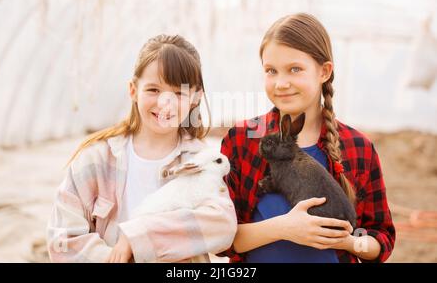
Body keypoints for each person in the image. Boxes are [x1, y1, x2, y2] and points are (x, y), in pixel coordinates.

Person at [219, 13, 395, 263]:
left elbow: (381, 237)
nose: (281, 83)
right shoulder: (241, 139)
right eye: (271, 71)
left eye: (295, 69)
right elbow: (220, 237)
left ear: (324, 71)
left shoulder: (358, 148)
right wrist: (284, 228)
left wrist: (350, 241)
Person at [47, 34, 237, 263]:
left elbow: (222, 225)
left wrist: (138, 236)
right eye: (154, 90)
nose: (164, 103)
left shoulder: (201, 160)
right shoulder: (95, 159)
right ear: (133, 90)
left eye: (178, 93)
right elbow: (62, 240)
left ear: (196, 98)